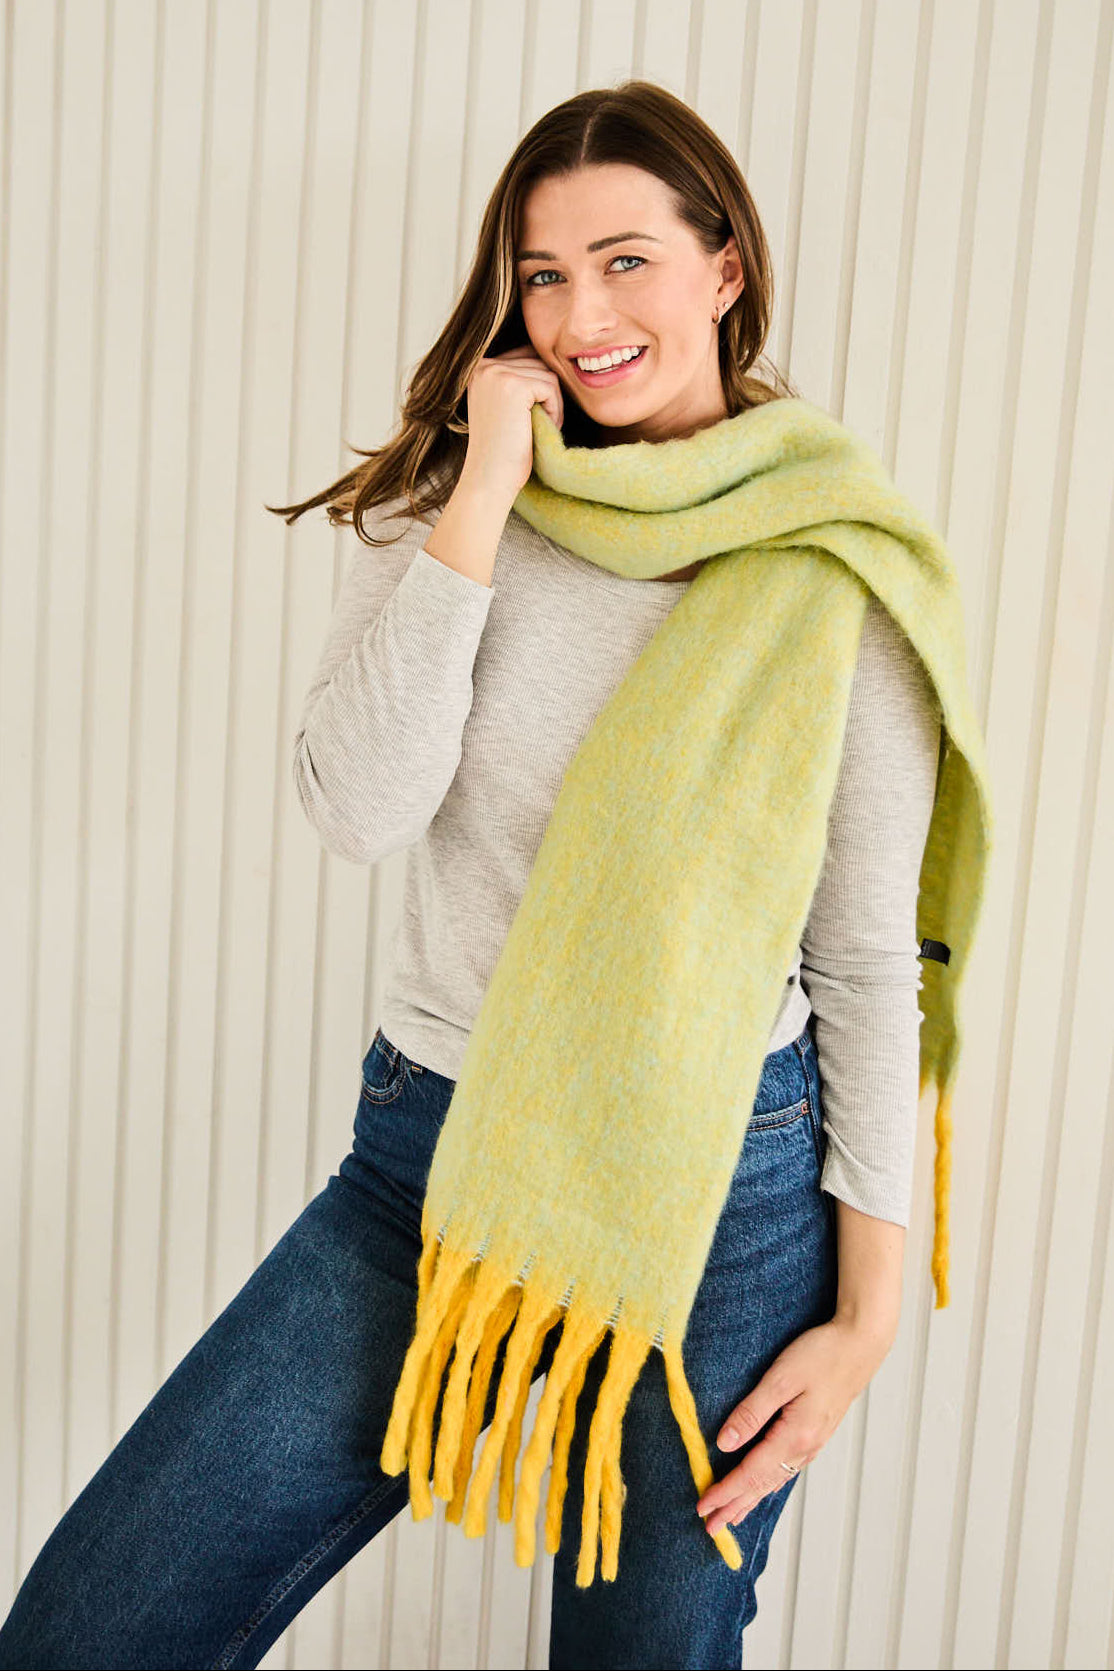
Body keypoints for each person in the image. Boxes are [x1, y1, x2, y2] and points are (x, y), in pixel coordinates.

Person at [0, 80, 941, 1670]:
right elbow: (358, 808)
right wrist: (485, 499)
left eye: (627, 261)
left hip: (723, 1194)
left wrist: (865, 1315)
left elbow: (860, 960)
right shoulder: (456, 509)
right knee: (93, 1629)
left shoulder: (831, 561)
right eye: (544, 274)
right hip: (434, 1159)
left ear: (724, 268)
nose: (582, 316)